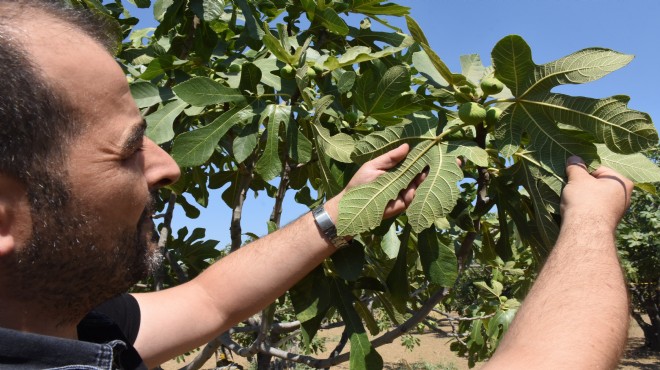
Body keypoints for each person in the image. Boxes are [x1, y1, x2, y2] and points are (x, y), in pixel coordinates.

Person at [0, 1, 634, 369]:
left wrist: (342, 212)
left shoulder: (68, 327)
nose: (169, 166)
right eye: (131, 148)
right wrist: (588, 222)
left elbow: (209, 300)